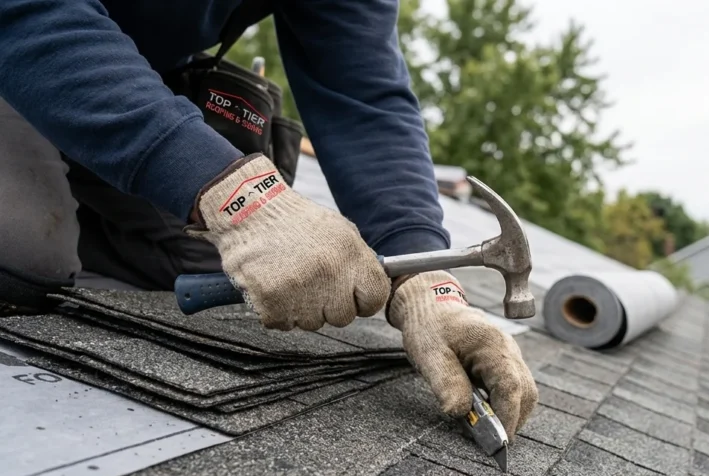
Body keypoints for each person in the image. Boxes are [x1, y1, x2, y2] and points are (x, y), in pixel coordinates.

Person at [0, 0, 538, 438]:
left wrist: (424, 281)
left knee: (236, 266)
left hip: (121, 78)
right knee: (25, 256)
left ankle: (75, 184)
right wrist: (237, 197)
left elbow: (364, 99)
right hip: (24, 36)